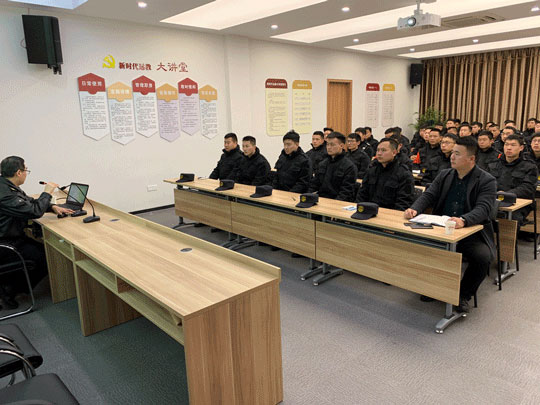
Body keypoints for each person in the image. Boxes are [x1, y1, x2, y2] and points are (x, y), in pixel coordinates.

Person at [404, 136, 497, 313]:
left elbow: (484, 208)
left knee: (482, 257)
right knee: (419, 245)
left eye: (457, 154)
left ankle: (463, 294)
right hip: (441, 228)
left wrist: (464, 220)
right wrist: (414, 209)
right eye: (452, 153)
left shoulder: (486, 180)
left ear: (471, 159)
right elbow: (428, 195)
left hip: (470, 232)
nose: (452, 157)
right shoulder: (445, 174)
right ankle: (435, 286)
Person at [0, 156, 73, 308]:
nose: (26, 173)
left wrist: (52, 207)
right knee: (46, 257)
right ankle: (10, 290)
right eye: (26, 170)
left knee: (43, 248)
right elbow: (34, 211)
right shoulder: (5, 194)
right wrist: (47, 193)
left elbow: (28, 203)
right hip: (6, 244)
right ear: (19, 172)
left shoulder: (6, 185)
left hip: (10, 236)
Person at [487, 134, 538, 225]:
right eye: (506, 144)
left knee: (512, 217)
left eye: (513, 145)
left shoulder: (529, 166)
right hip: (494, 198)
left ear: (521, 148)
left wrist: (506, 194)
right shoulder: (493, 164)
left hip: (519, 201)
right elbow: (485, 182)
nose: (509, 148)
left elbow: (528, 188)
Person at [356, 138, 414, 210]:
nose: (379, 153)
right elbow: (361, 195)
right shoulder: (372, 170)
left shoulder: (404, 174)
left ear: (394, 153)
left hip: (390, 213)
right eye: (378, 150)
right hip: (368, 210)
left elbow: (403, 203)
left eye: (383, 150)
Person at [309, 132, 357, 201]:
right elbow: (314, 185)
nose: (329, 147)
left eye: (332, 145)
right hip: (321, 199)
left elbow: (346, 193)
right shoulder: (322, 164)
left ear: (341, 146)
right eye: (327, 144)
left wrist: (333, 204)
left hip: (338, 202)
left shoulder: (349, 167)